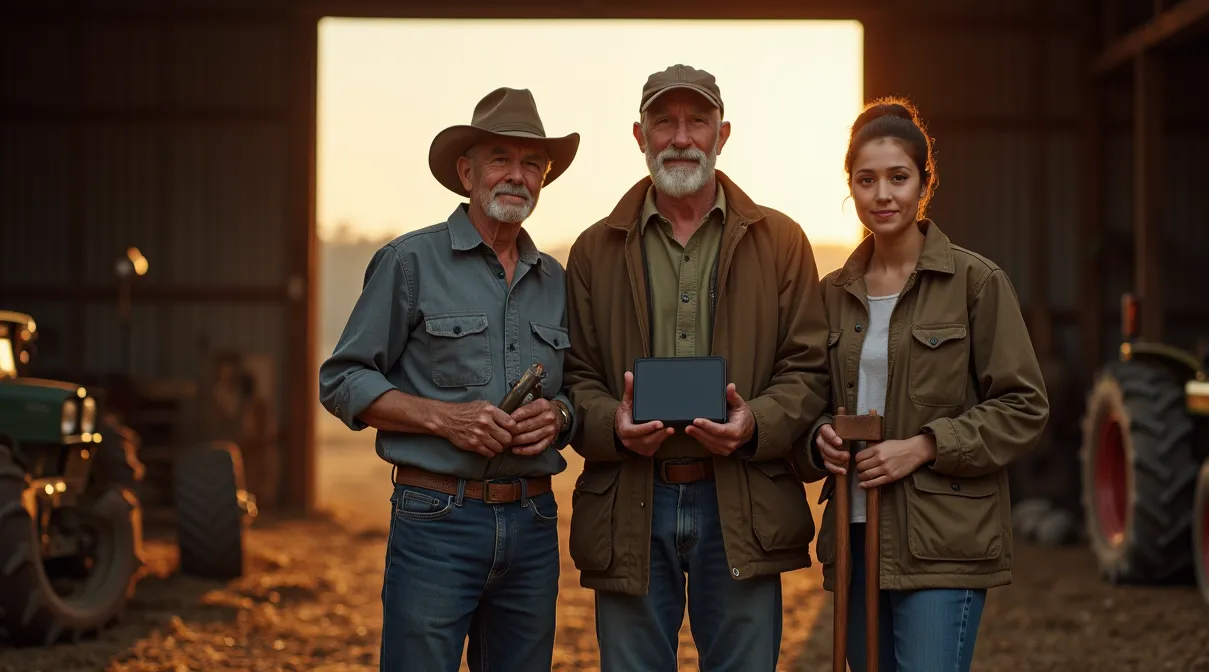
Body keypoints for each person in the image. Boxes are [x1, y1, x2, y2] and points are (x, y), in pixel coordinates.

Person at [562, 64, 830, 671]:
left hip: (741, 501)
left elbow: (809, 370)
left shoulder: (783, 242)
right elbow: (574, 377)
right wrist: (613, 424)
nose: (680, 137)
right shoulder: (593, 249)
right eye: (664, 122)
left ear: (722, 133)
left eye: (697, 122)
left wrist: (755, 422)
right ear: (639, 135)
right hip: (631, 500)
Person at [318, 87, 579, 672]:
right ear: (467, 172)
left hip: (535, 523)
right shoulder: (409, 263)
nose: (517, 175)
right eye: (500, 159)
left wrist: (561, 415)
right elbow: (341, 379)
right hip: (436, 518)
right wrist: (443, 418)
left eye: (532, 163)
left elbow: (580, 388)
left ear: (543, 179)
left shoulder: (558, 283)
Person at [794, 98, 1050, 671]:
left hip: (942, 543)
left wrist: (926, 445)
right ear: (850, 187)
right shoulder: (831, 294)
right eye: (866, 180)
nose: (882, 194)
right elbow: (808, 399)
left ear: (925, 184)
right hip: (855, 538)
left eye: (898, 177)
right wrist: (819, 439)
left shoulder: (976, 284)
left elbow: (1025, 406)